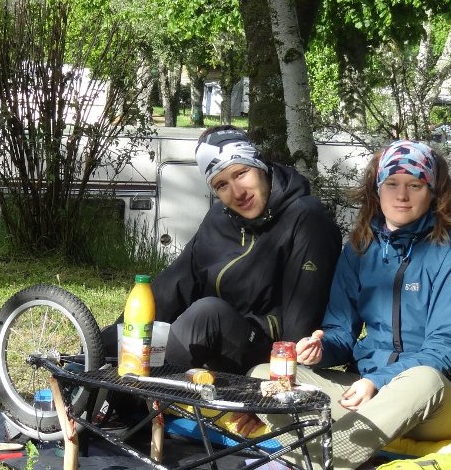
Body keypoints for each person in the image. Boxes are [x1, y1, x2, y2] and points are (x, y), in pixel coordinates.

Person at [246, 140, 451, 470]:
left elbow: (445, 350)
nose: (402, 196)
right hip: (369, 393)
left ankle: (315, 469)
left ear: (433, 193)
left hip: (440, 401)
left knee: (423, 379)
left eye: (415, 185)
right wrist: (320, 349)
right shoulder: (359, 249)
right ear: (377, 190)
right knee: (263, 375)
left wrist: (379, 381)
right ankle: (350, 469)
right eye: (392, 184)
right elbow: (341, 331)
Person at [101, 124, 342, 374]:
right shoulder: (220, 218)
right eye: (221, 185)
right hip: (215, 341)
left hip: (270, 354)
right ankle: (101, 381)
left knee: (208, 313)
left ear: (259, 165)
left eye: (241, 173)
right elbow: (173, 286)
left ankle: (133, 400)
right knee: (157, 318)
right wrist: (107, 342)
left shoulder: (306, 218)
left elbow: (301, 323)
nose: (237, 193)